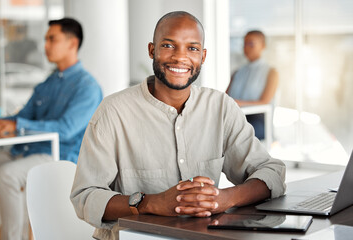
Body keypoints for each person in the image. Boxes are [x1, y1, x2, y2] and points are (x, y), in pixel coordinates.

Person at [71, 11, 285, 240]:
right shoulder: (113, 112)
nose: (180, 57)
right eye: (168, 45)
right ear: (152, 50)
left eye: (192, 48)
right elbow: (85, 197)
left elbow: (272, 172)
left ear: (202, 57)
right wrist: (150, 202)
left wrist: (223, 198)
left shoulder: (221, 107)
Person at [0, 18, 102, 240]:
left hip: (62, 156)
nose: (45, 45)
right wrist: (2, 123)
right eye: (45, 39)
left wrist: (17, 125)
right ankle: (15, 230)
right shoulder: (49, 83)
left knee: (7, 176)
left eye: (52, 39)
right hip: (30, 152)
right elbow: (22, 117)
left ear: (72, 43)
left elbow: (66, 128)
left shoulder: (87, 87)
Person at [226, 30, 279, 139]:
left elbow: (265, 102)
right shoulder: (237, 72)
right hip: (235, 118)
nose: (246, 48)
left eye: (251, 44)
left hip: (258, 122)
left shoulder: (271, 72)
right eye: (244, 44)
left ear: (263, 46)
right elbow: (225, 98)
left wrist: (237, 103)